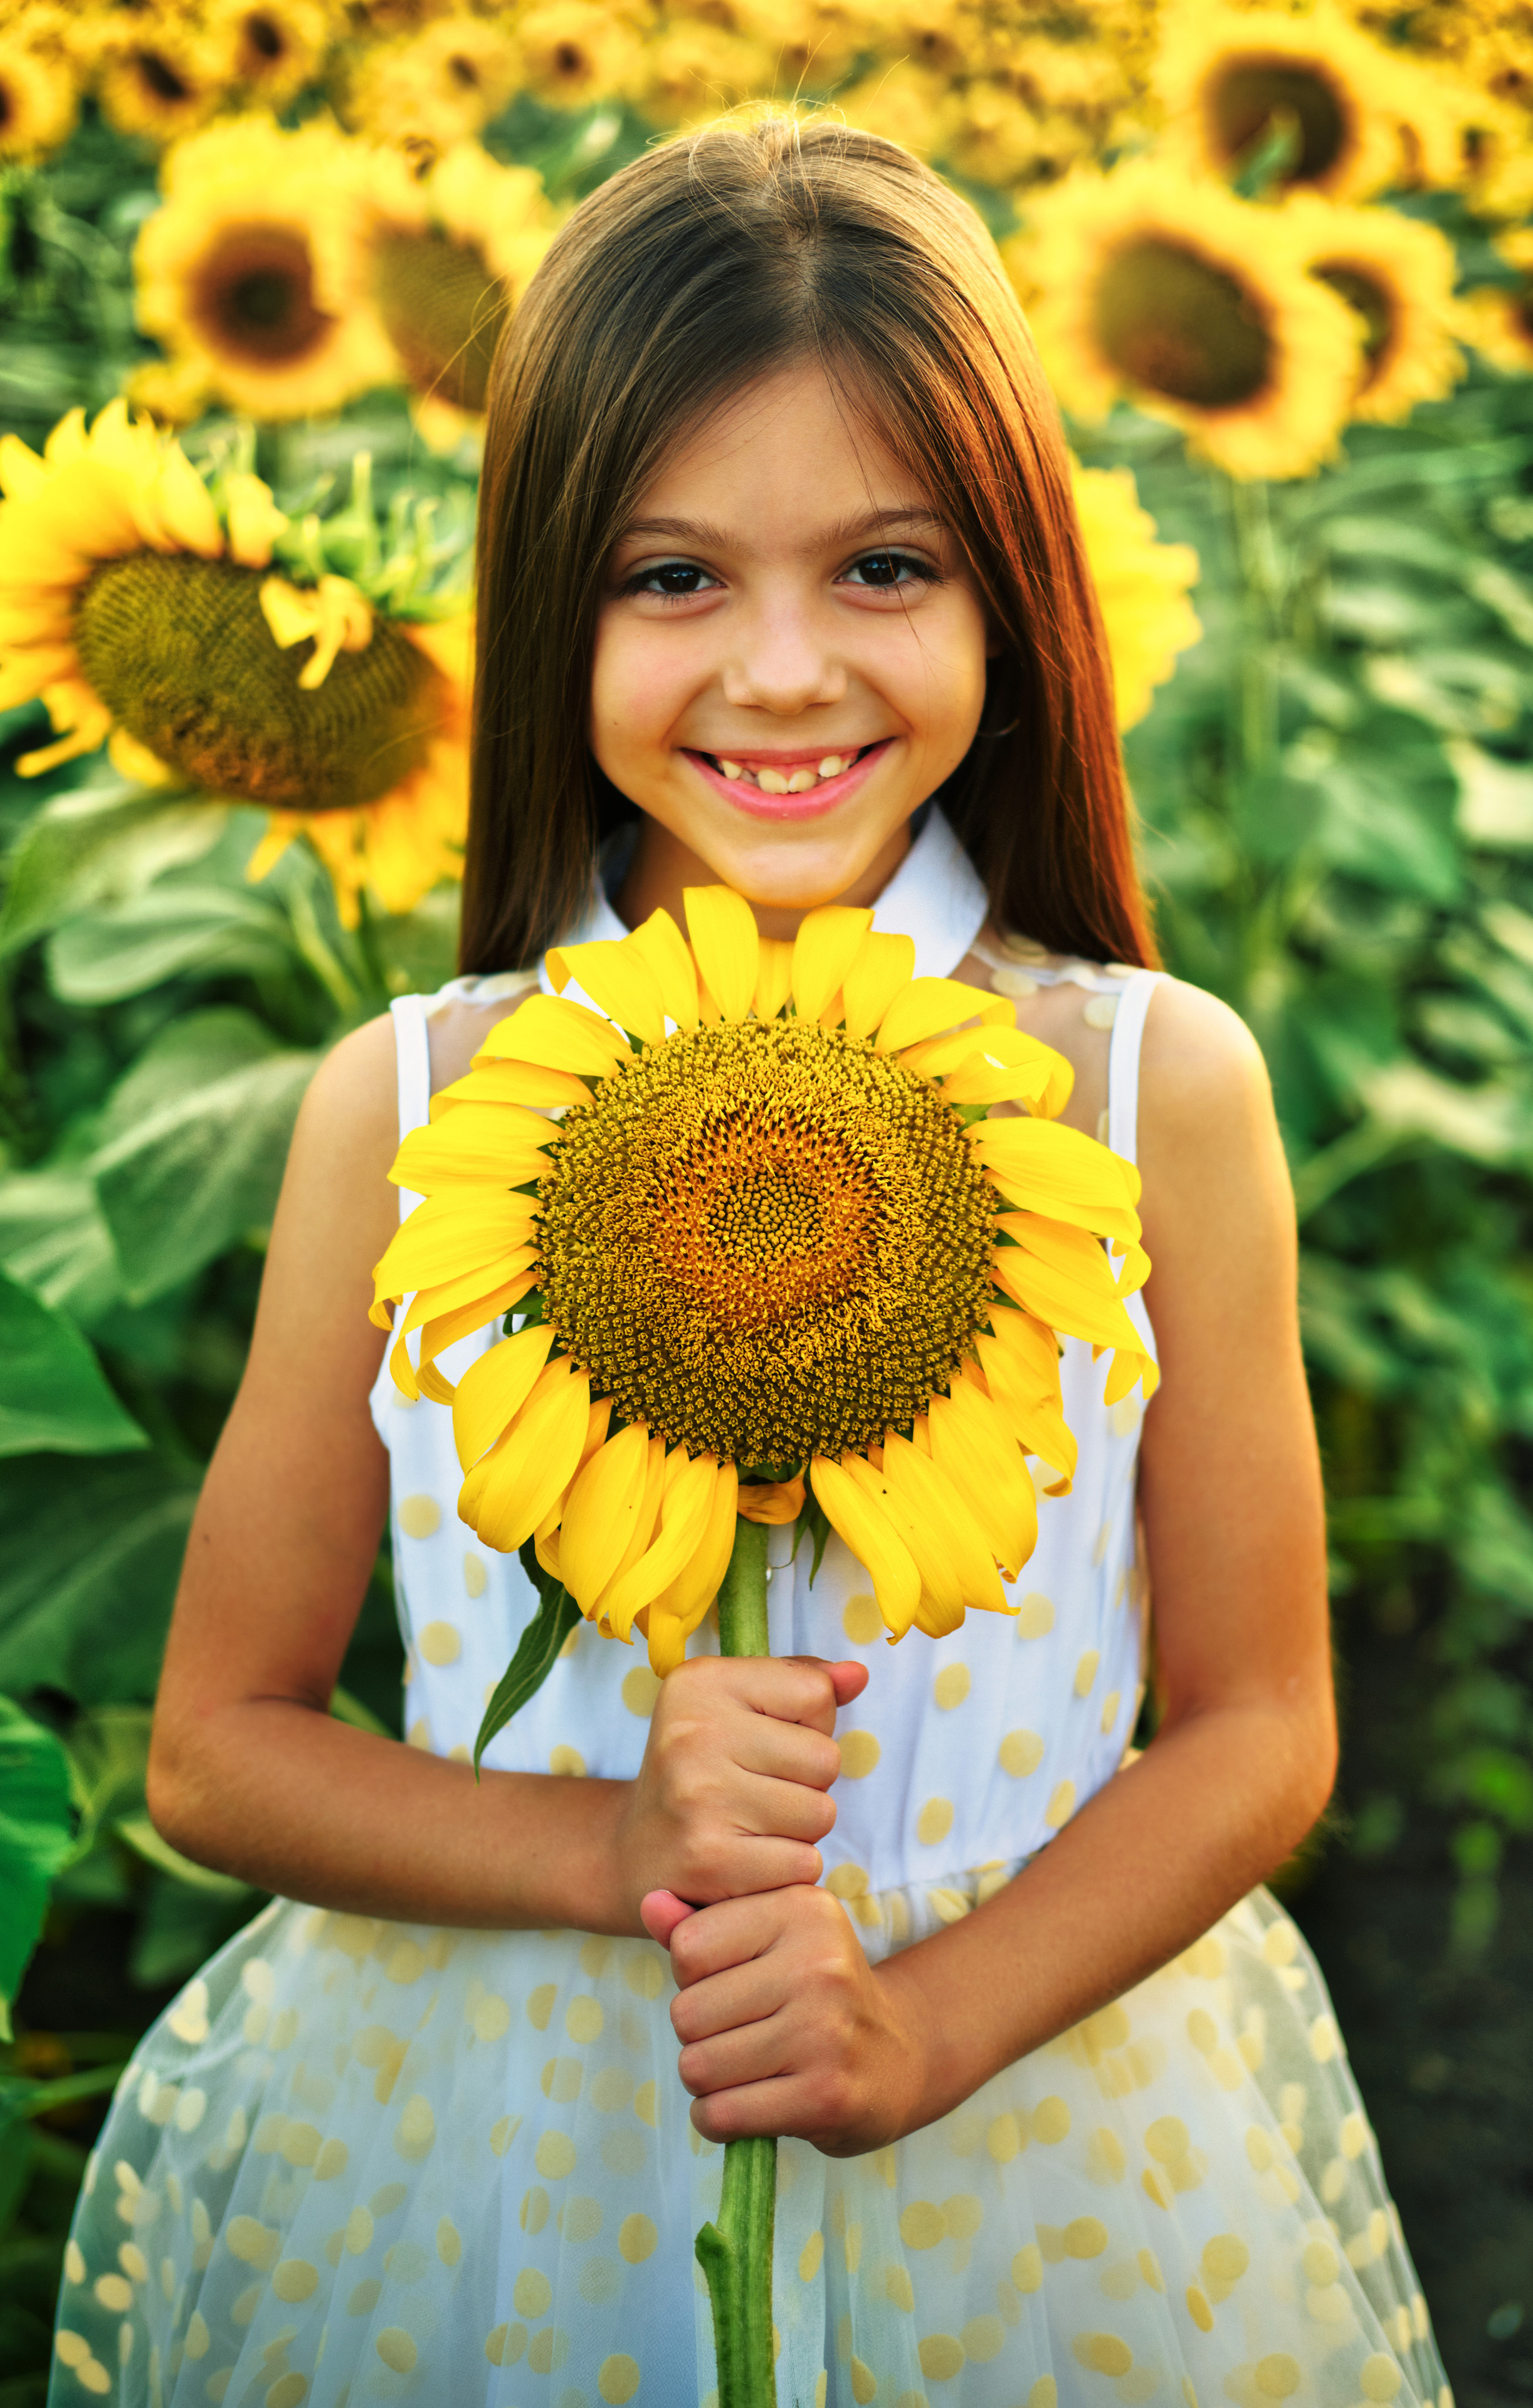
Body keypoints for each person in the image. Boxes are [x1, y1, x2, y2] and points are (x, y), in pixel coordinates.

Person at [51, 116, 1450, 2408]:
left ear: (1014, 586)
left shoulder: (1142, 1092)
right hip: (508, 2143)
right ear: (542, 609)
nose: (782, 672)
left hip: (1035, 2114)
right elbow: (216, 1747)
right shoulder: (402, 1111)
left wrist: (929, 2025)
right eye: (670, 578)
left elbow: (1261, 1722)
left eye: (884, 567)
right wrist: (611, 1839)